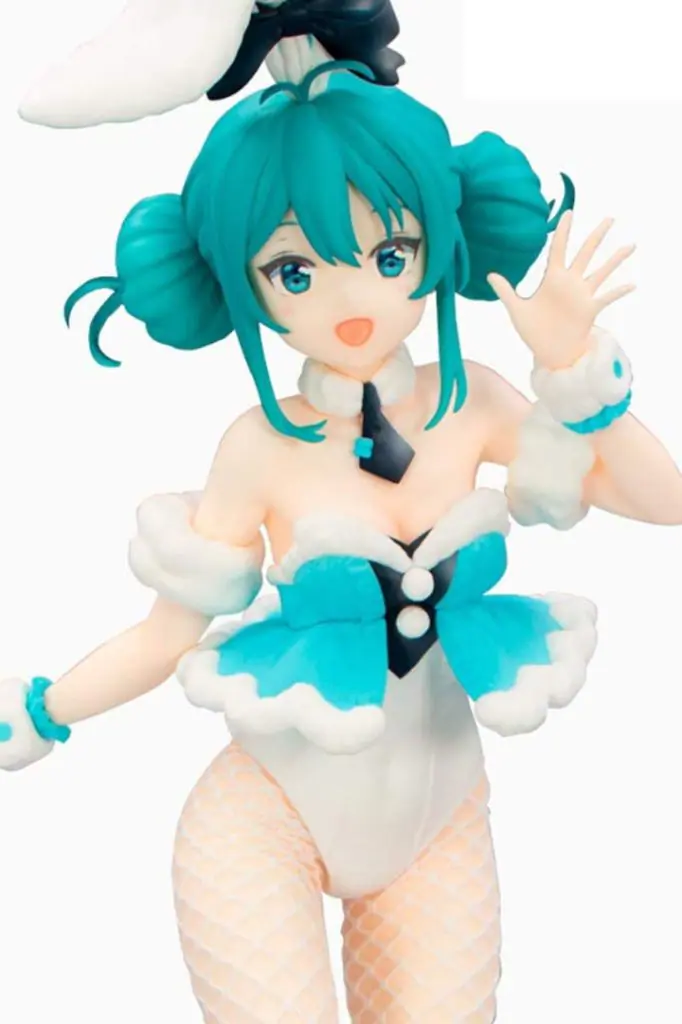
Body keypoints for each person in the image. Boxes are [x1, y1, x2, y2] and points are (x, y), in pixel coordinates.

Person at [5, 7, 682, 1024]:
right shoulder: (257, 447)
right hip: (263, 821)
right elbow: (166, 635)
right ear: (238, 283)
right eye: (295, 270)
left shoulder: (475, 402)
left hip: (438, 821)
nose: (350, 297)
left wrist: (573, 369)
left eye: (391, 249)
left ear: (438, 239)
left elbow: (664, 502)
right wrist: (45, 709)